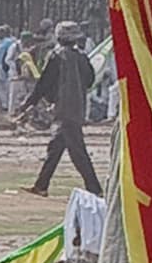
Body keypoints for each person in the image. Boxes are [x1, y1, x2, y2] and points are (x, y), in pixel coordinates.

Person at [25, 22, 99, 195]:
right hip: (77, 107)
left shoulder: (56, 55)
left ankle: (95, 189)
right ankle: (41, 185)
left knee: (78, 152)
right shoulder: (82, 57)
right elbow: (90, 80)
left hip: (64, 109)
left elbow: (45, 82)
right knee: (55, 148)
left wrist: (30, 102)